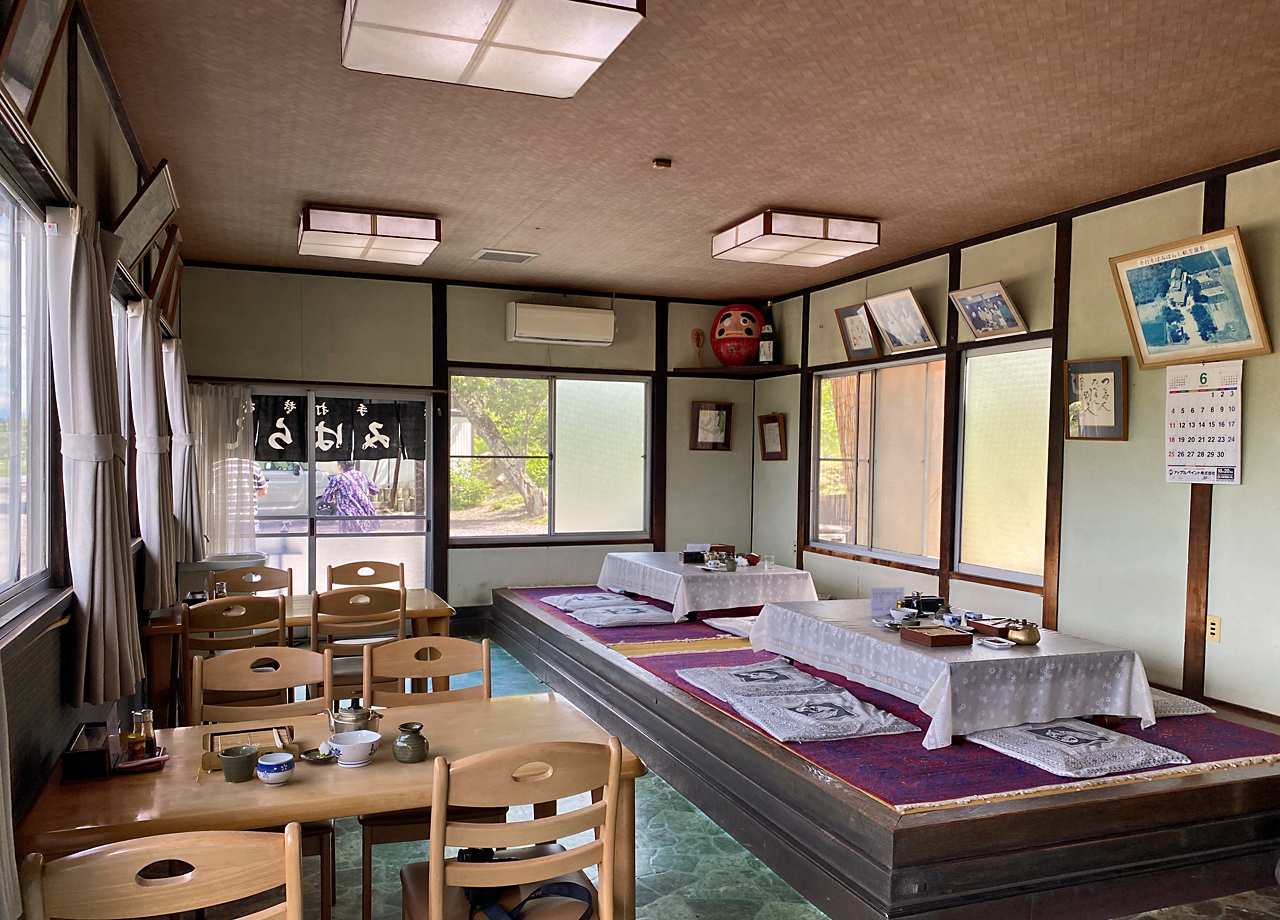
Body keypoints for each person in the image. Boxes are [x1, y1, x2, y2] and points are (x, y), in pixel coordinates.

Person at [322, 460, 379, 533]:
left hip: (347, 516)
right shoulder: (363, 476)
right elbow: (375, 490)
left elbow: (326, 497)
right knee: (363, 538)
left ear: (339, 466)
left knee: (348, 538)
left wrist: (335, 498)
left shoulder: (337, 479)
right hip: (364, 514)